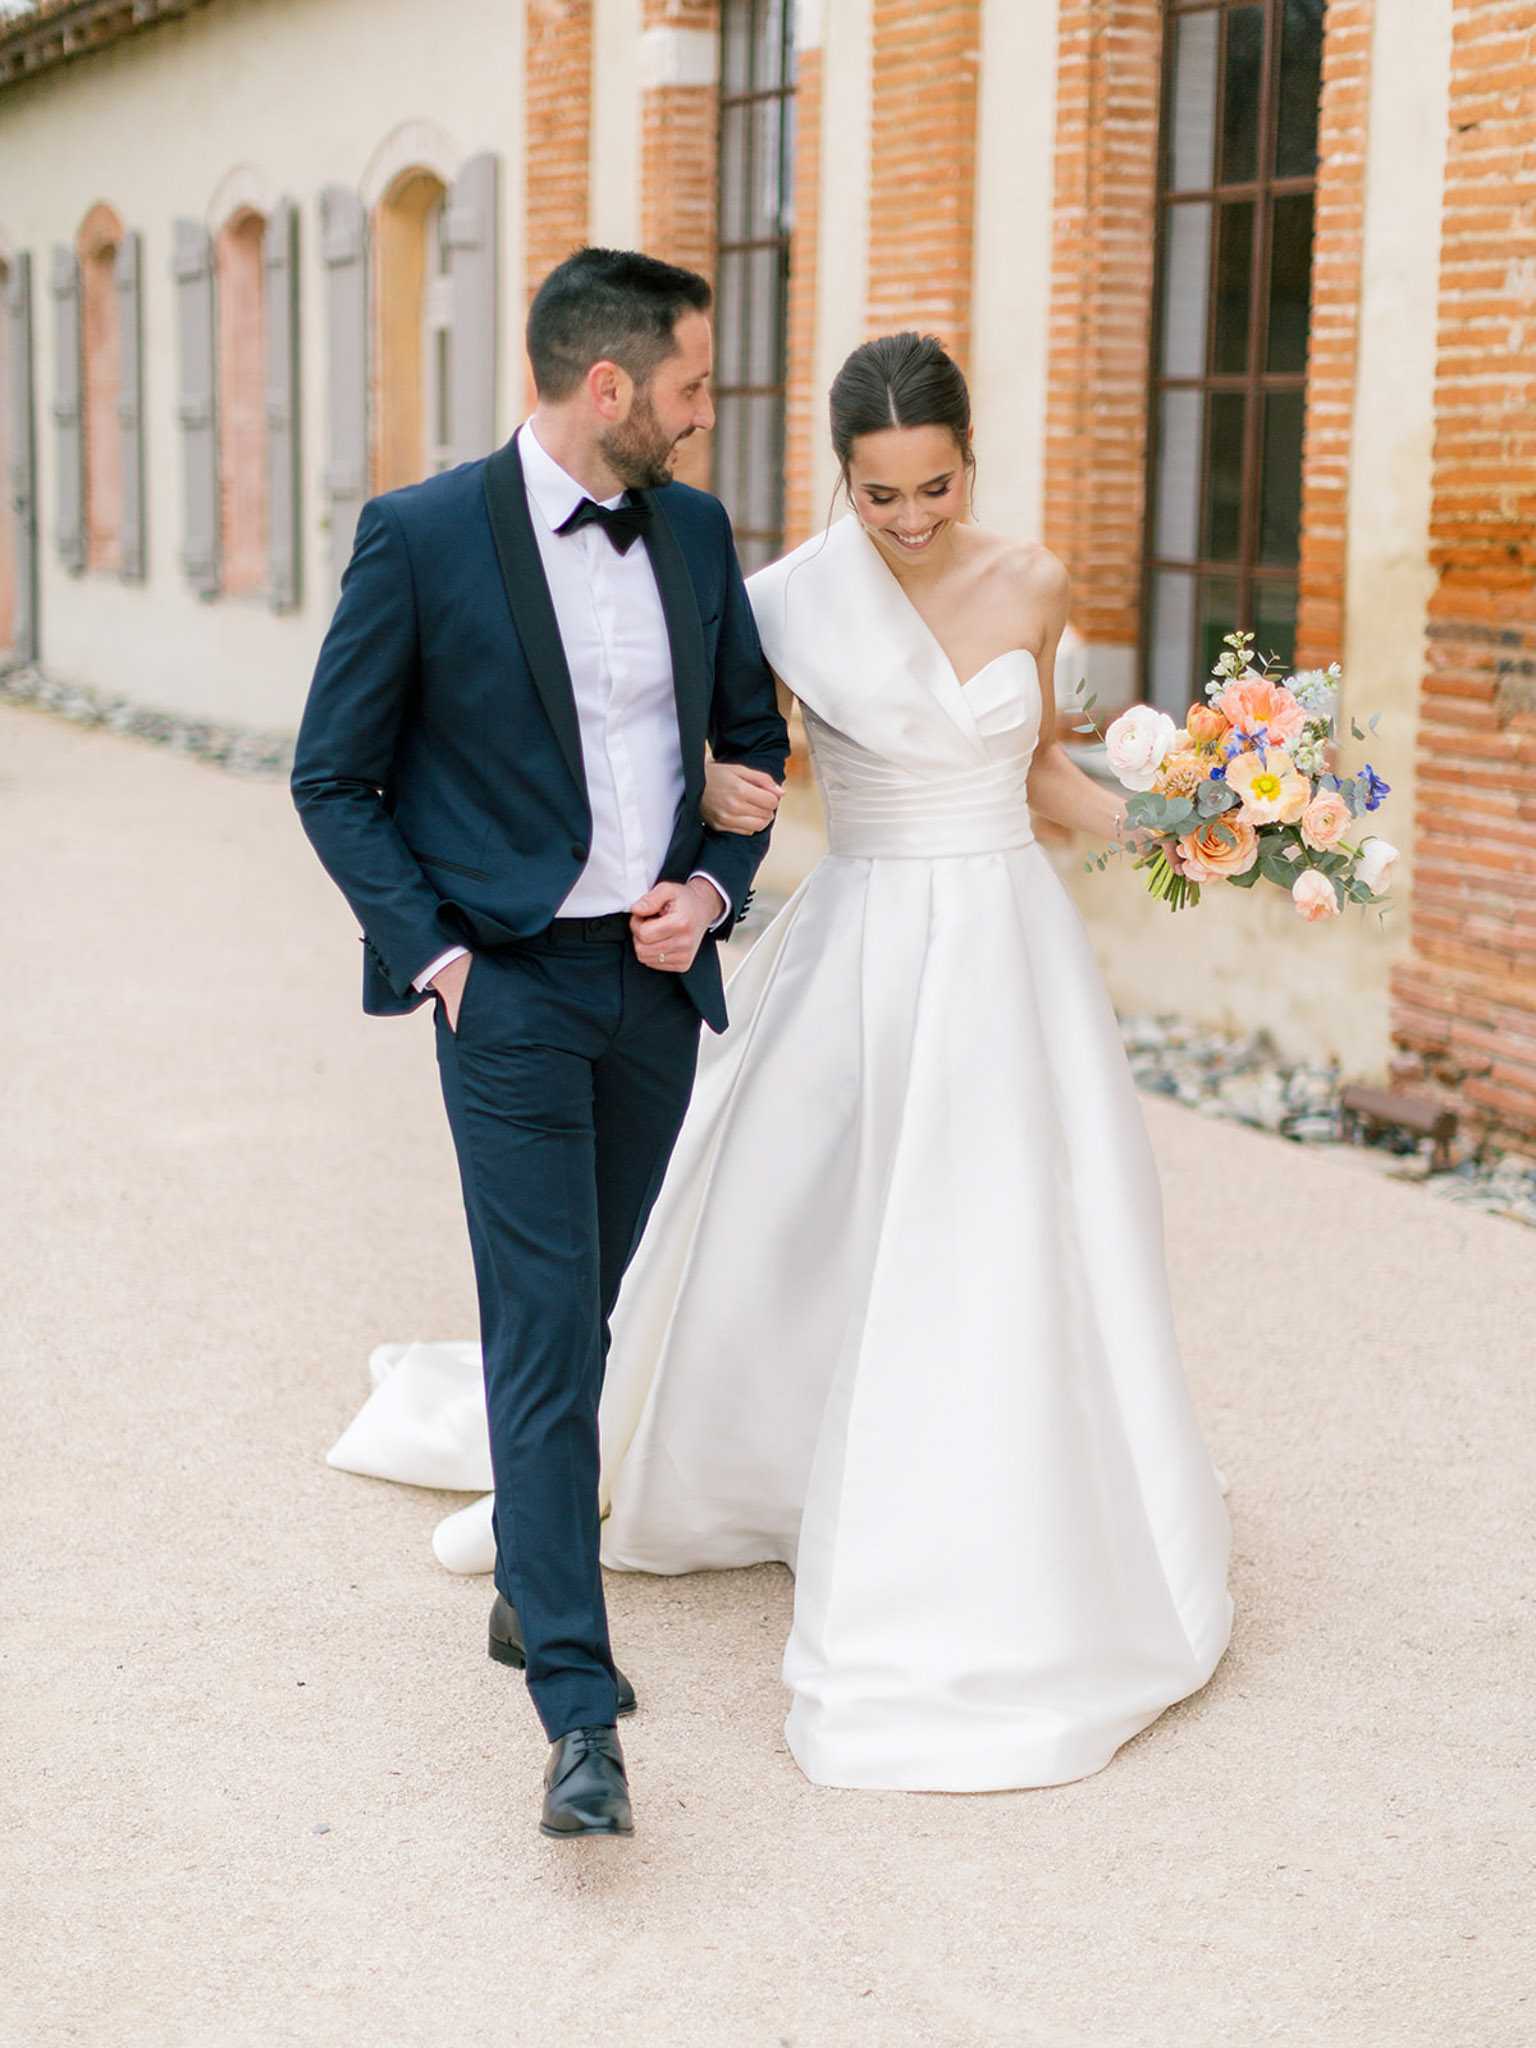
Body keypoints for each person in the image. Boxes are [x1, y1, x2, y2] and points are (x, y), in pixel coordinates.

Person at [331, 331, 1233, 1796]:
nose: (910, 519)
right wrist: (702, 799)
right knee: (820, 1215)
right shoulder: (786, 602)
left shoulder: (1036, 581)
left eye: (934, 487)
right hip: (866, 937)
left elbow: (1041, 775)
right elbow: (669, 745)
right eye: (880, 494)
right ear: (842, 480)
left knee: (1013, 1221)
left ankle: (1011, 1495)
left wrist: (1194, 827)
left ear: (971, 464)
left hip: (1007, 939)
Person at [293, 247, 789, 1840]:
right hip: (503, 993)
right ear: (608, 384)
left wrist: (712, 888)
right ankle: (578, 1711)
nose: (706, 413)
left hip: (651, 994)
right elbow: (332, 777)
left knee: (589, 1307)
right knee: (542, 1327)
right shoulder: (423, 535)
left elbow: (752, 745)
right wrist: (441, 960)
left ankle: (531, 1560)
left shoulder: (695, 533)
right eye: (692, 386)